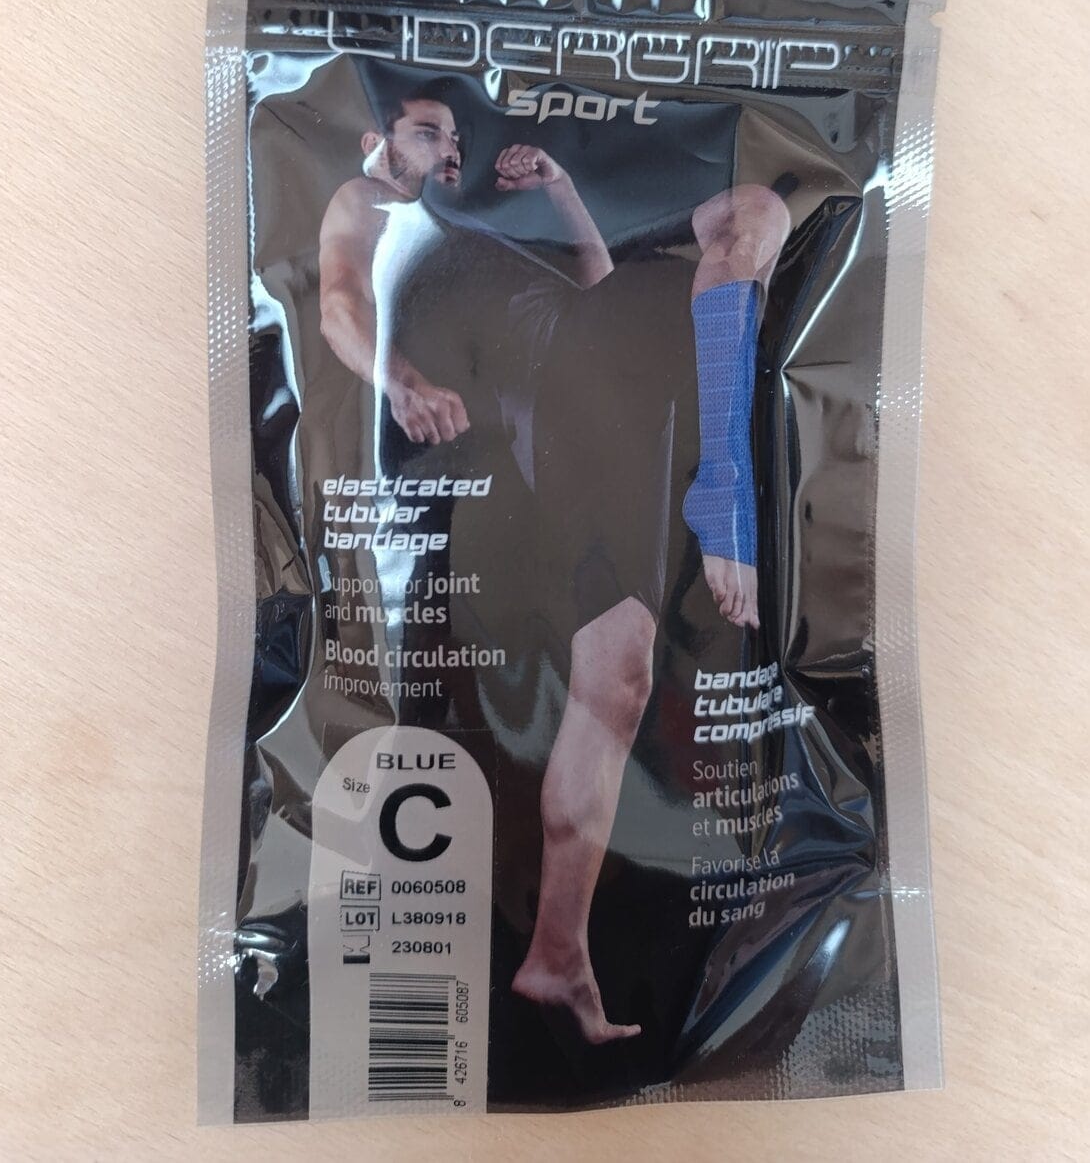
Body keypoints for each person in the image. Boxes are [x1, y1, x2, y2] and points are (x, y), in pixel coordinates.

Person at [319, 84, 790, 1043]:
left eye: (452, 135)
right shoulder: (365, 203)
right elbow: (336, 307)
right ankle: (726, 487)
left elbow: (594, 284)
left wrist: (564, 192)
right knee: (753, 216)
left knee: (618, 681)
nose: (448, 149)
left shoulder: (482, 233)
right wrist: (397, 381)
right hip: (563, 390)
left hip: (597, 384)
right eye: (426, 133)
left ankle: (557, 956)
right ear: (378, 141)